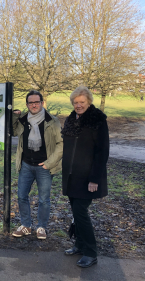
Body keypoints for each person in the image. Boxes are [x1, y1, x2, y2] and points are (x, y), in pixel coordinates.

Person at [61, 86, 109, 268]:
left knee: (80, 213)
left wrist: (94, 179)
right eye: (75, 102)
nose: (78, 105)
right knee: (76, 213)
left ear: (89, 101)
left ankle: (91, 252)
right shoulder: (71, 119)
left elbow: (103, 151)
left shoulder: (97, 120)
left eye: (82, 102)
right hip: (71, 176)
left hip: (88, 177)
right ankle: (79, 245)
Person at [12, 90, 63, 240]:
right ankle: (26, 225)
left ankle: (41, 227)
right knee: (21, 196)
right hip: (26, 165)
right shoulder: (22, 119)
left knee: (43, 199)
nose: (34, 105)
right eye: (30, 102)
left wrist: (50, 163)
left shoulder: (52, 121)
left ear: (42, 103)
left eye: (36, 102)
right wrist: (15, 115)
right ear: (27, 104)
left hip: (44, 167)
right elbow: (13, 131)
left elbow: (61, 144)